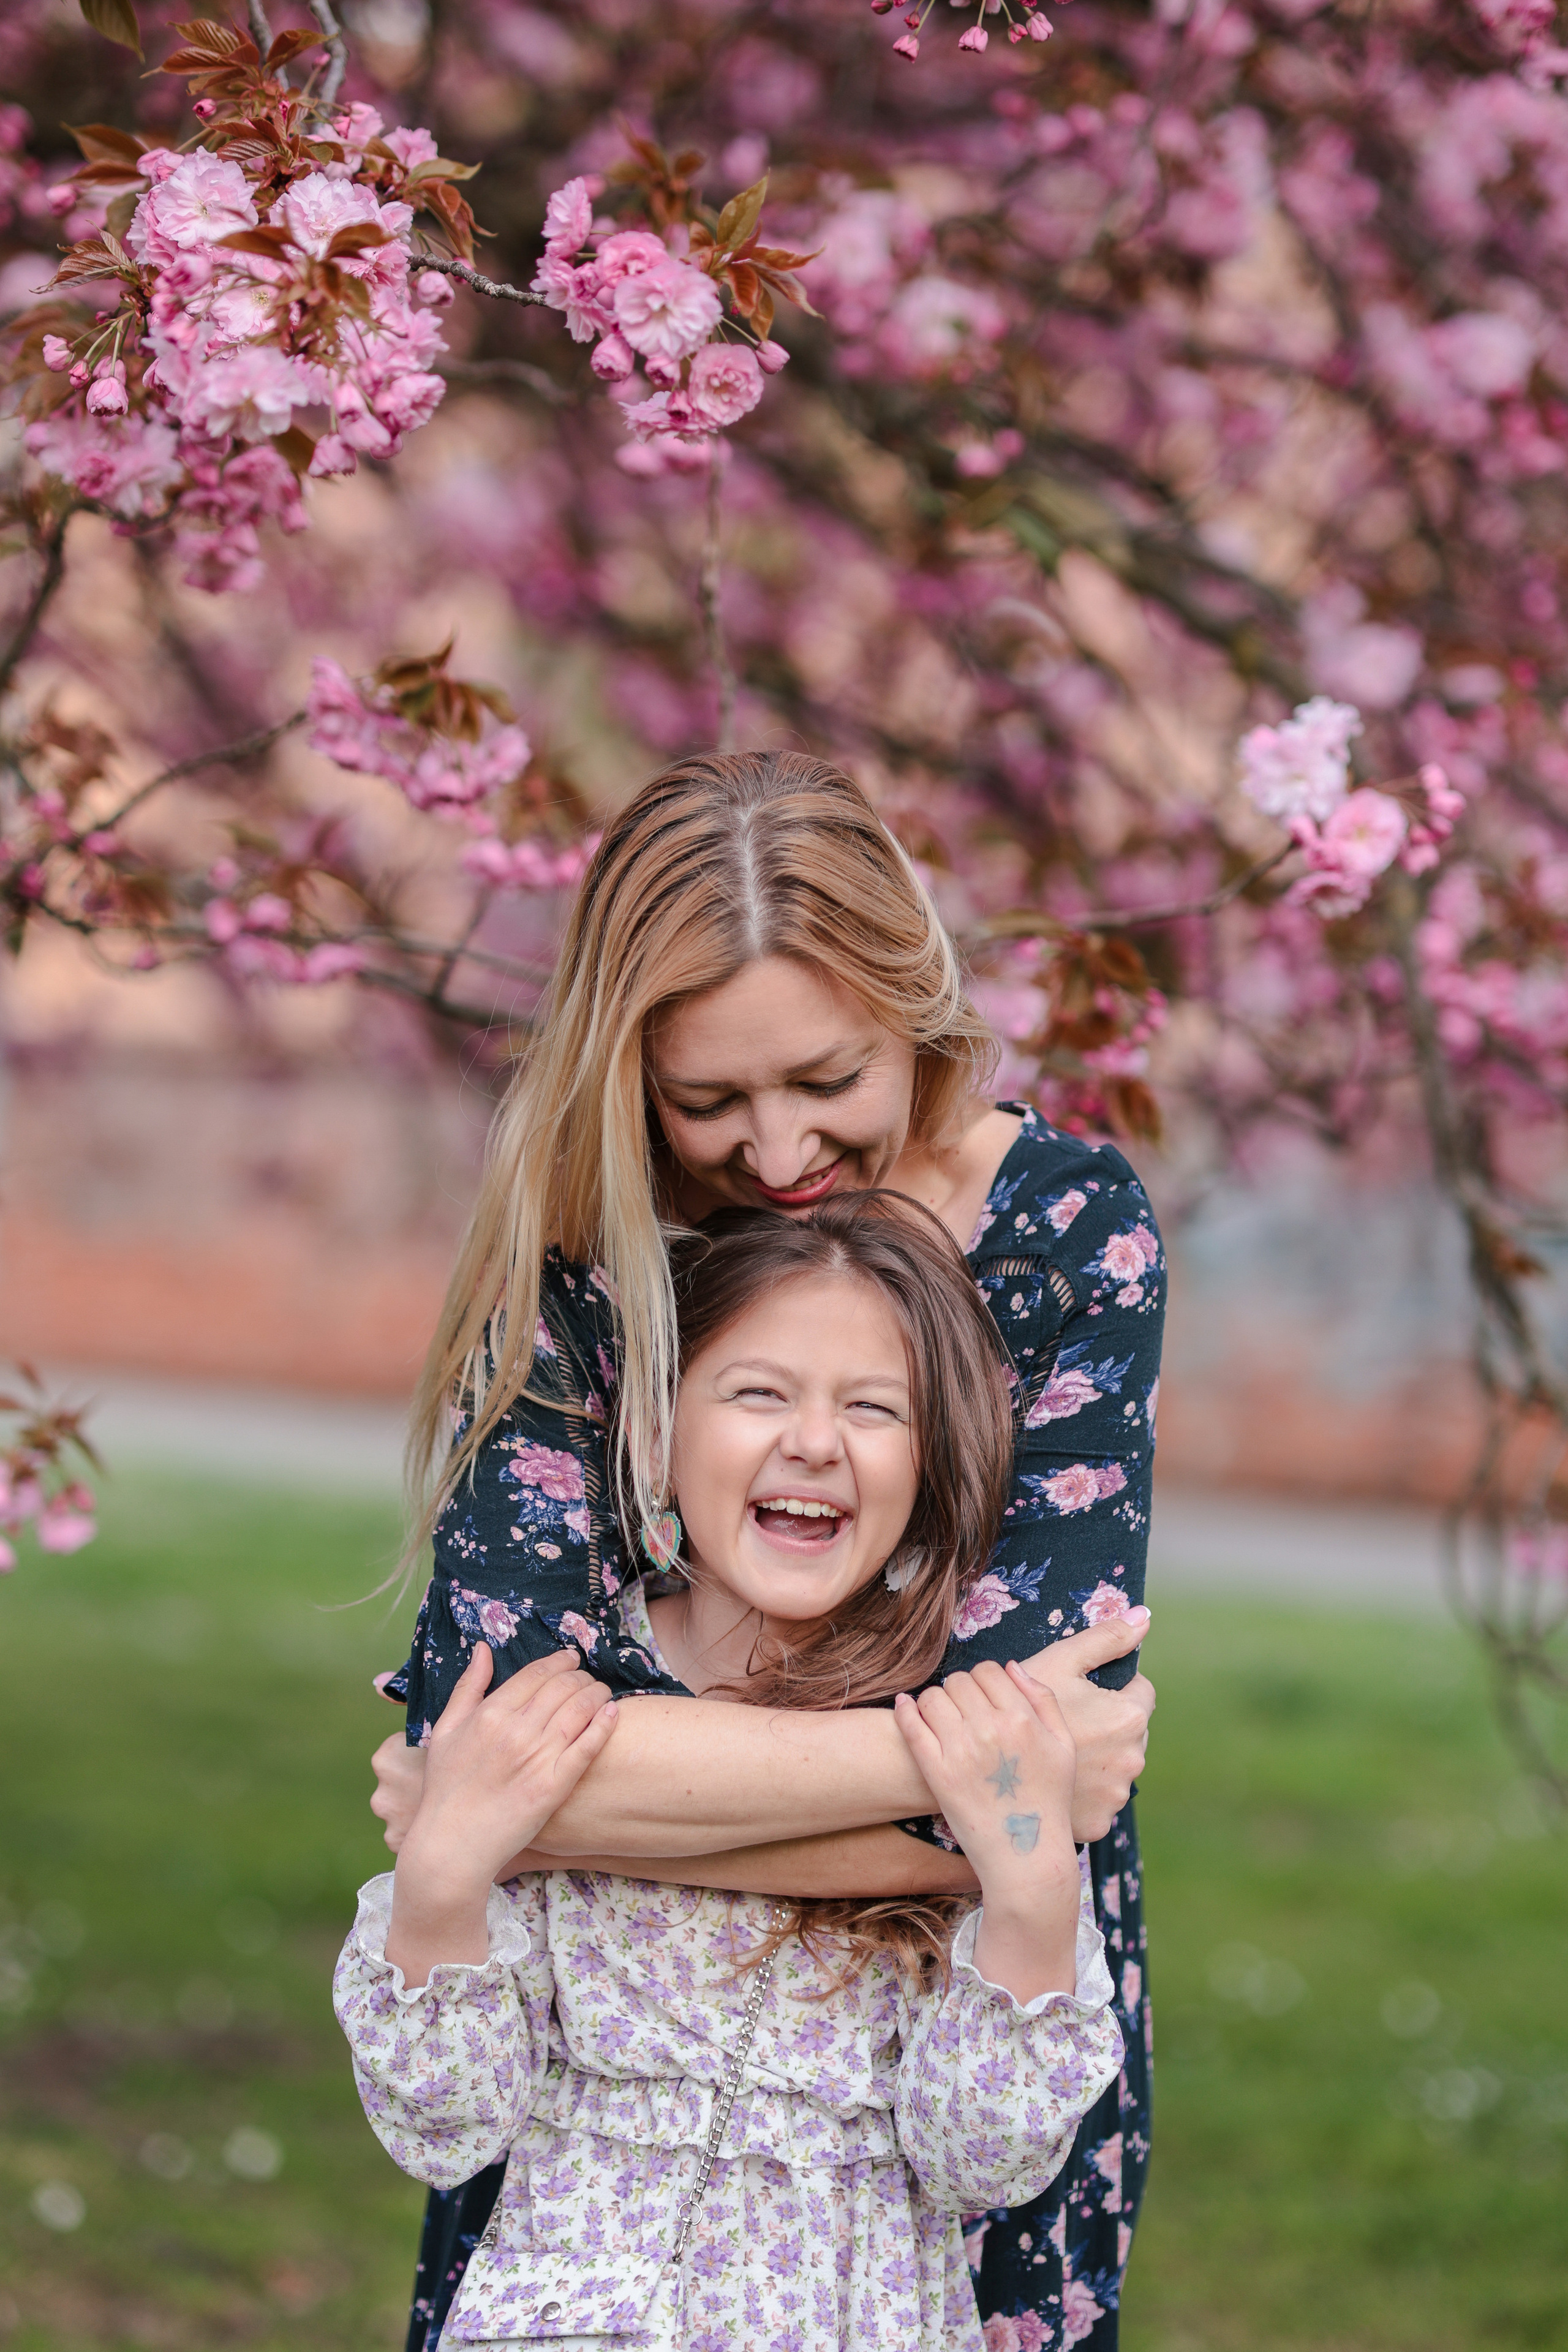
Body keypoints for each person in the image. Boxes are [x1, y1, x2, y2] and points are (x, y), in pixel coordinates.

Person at [372, 748, 1161, 2351]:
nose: (781, 1151)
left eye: (825, 1078)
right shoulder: (599, 1241)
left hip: (950, 2052)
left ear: (914, 1001)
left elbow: (1008, 1847)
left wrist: (546, 1815)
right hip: (602, 2138)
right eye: (709, 1099)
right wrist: (963, 1777)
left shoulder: (1066, 1230)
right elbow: (479, 1738)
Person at [337, 1196, 1126, 2351]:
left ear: (932, 1461)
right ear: (658, 1435)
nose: (814, 1441)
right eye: (760, 1392)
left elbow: (984, 2161)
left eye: (873, 1408)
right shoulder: (565, 1691)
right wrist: (445, 1882)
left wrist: (1030, 1902)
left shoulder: (964, 1730)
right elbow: (447, 2127)